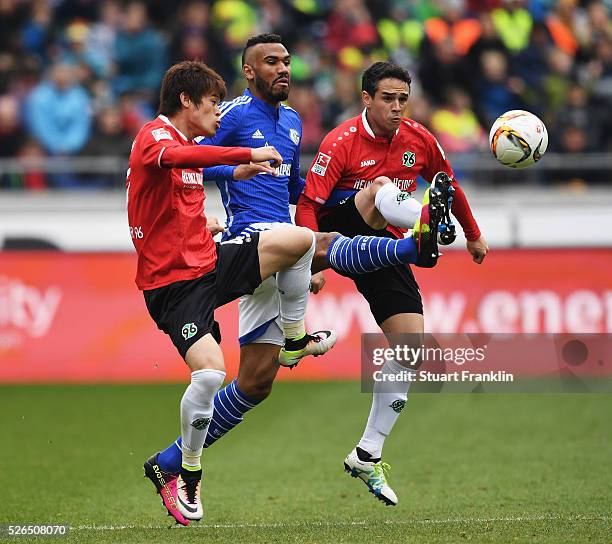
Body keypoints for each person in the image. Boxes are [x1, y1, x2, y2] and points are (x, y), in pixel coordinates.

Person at [146, 36, 453, 522]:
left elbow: (297, 193)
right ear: (249, 72)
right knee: (320, 241)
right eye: (271, 62)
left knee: (255, 382)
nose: (283, 69)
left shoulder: (291, 123)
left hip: (279, 248)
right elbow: (182, 151)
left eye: (287, 61)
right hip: (251, 241)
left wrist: (299, 270)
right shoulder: (227, 115)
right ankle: (412, 246)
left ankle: (168, 463)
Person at [129, 60, 338, 525]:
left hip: (209, 262)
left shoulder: (186, 146)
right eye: (210, 105)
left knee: (299, 241)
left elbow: (173, 204)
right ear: (186, 101)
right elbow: (180, 161)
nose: (218, 115)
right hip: (173, 289)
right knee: (209, 376)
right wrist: (242, 156)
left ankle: (295, 337)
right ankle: (186, 472)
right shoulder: (155, 137)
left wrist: (207, 221)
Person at [295, 61, 488, 506]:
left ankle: (368, 453)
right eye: (388, 98)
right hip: (336, 232)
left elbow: (450, 183)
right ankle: (426, 224)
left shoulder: (420, 139)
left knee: (411, 349)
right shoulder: (340, 141)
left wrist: (474, 234)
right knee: (379, 187)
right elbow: (308, 205)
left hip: (382, 245)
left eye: (404, 98)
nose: (398, 107)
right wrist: (313, 260)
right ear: (367, 98)